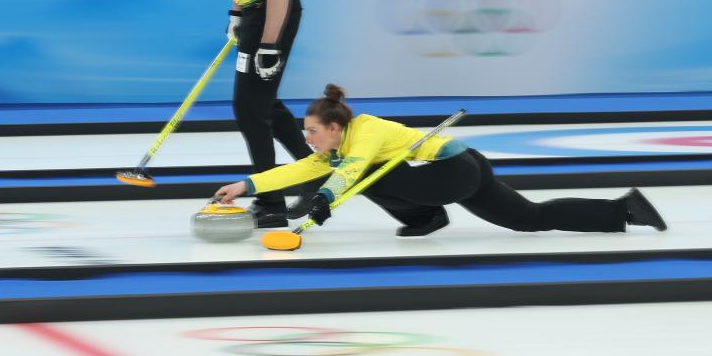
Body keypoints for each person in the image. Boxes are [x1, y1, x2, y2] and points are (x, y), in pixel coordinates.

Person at [214, 84, 668, 236]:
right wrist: (245, 186)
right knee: (528, 219)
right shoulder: (332, 152)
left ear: (333, 127)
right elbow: (293, 170)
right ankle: (622, 210)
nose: (305, 137)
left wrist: (324, 200)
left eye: (310, 131)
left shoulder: (364, 131)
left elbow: (353, 172)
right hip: (464, 170)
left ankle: (428, 216)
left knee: (366, 177)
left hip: (455, 170)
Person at [177, 0, 318, 228]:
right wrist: (237, 12)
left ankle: (270, 202)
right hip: (253, 14)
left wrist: (270, 44)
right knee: (264, 103)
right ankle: (313, 174)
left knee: (249, 108)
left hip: (277, 11)